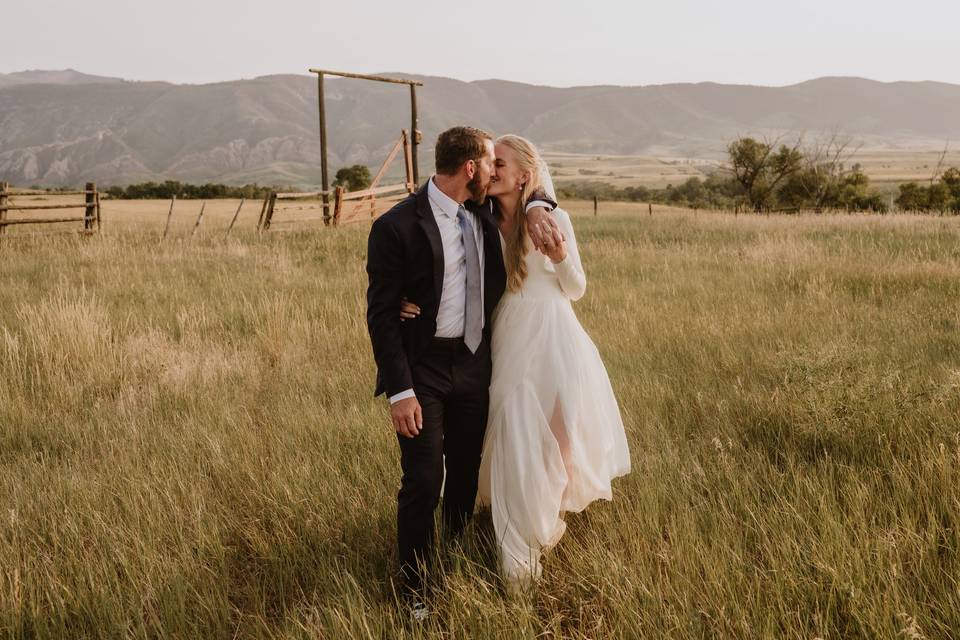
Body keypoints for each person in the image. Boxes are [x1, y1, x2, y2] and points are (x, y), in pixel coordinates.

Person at [402, 135, 631, 590]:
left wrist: (561, 255)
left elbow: (577, 288)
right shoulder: (481, 219)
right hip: (507, 337)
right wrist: (410, 301)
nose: (492, 169)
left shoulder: (552, 217)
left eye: (500, 163)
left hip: (556, 339)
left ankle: (539, 525)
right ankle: (516, 551)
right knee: (511, 438)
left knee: (558, 449)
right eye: (490, 163)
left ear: (524, 175)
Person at [365, 126, 557, 619]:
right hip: (422, 370)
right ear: (470, 169)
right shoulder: (396, 226)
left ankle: (451, 557)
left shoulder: (485, 211)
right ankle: (414, 589)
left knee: (467, 476)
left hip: (476, 365)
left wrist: (538, 207)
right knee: (425, 480)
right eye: (490, 164)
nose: (495, 172)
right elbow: (381, 315)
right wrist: (400, 390)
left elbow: (531, 190)